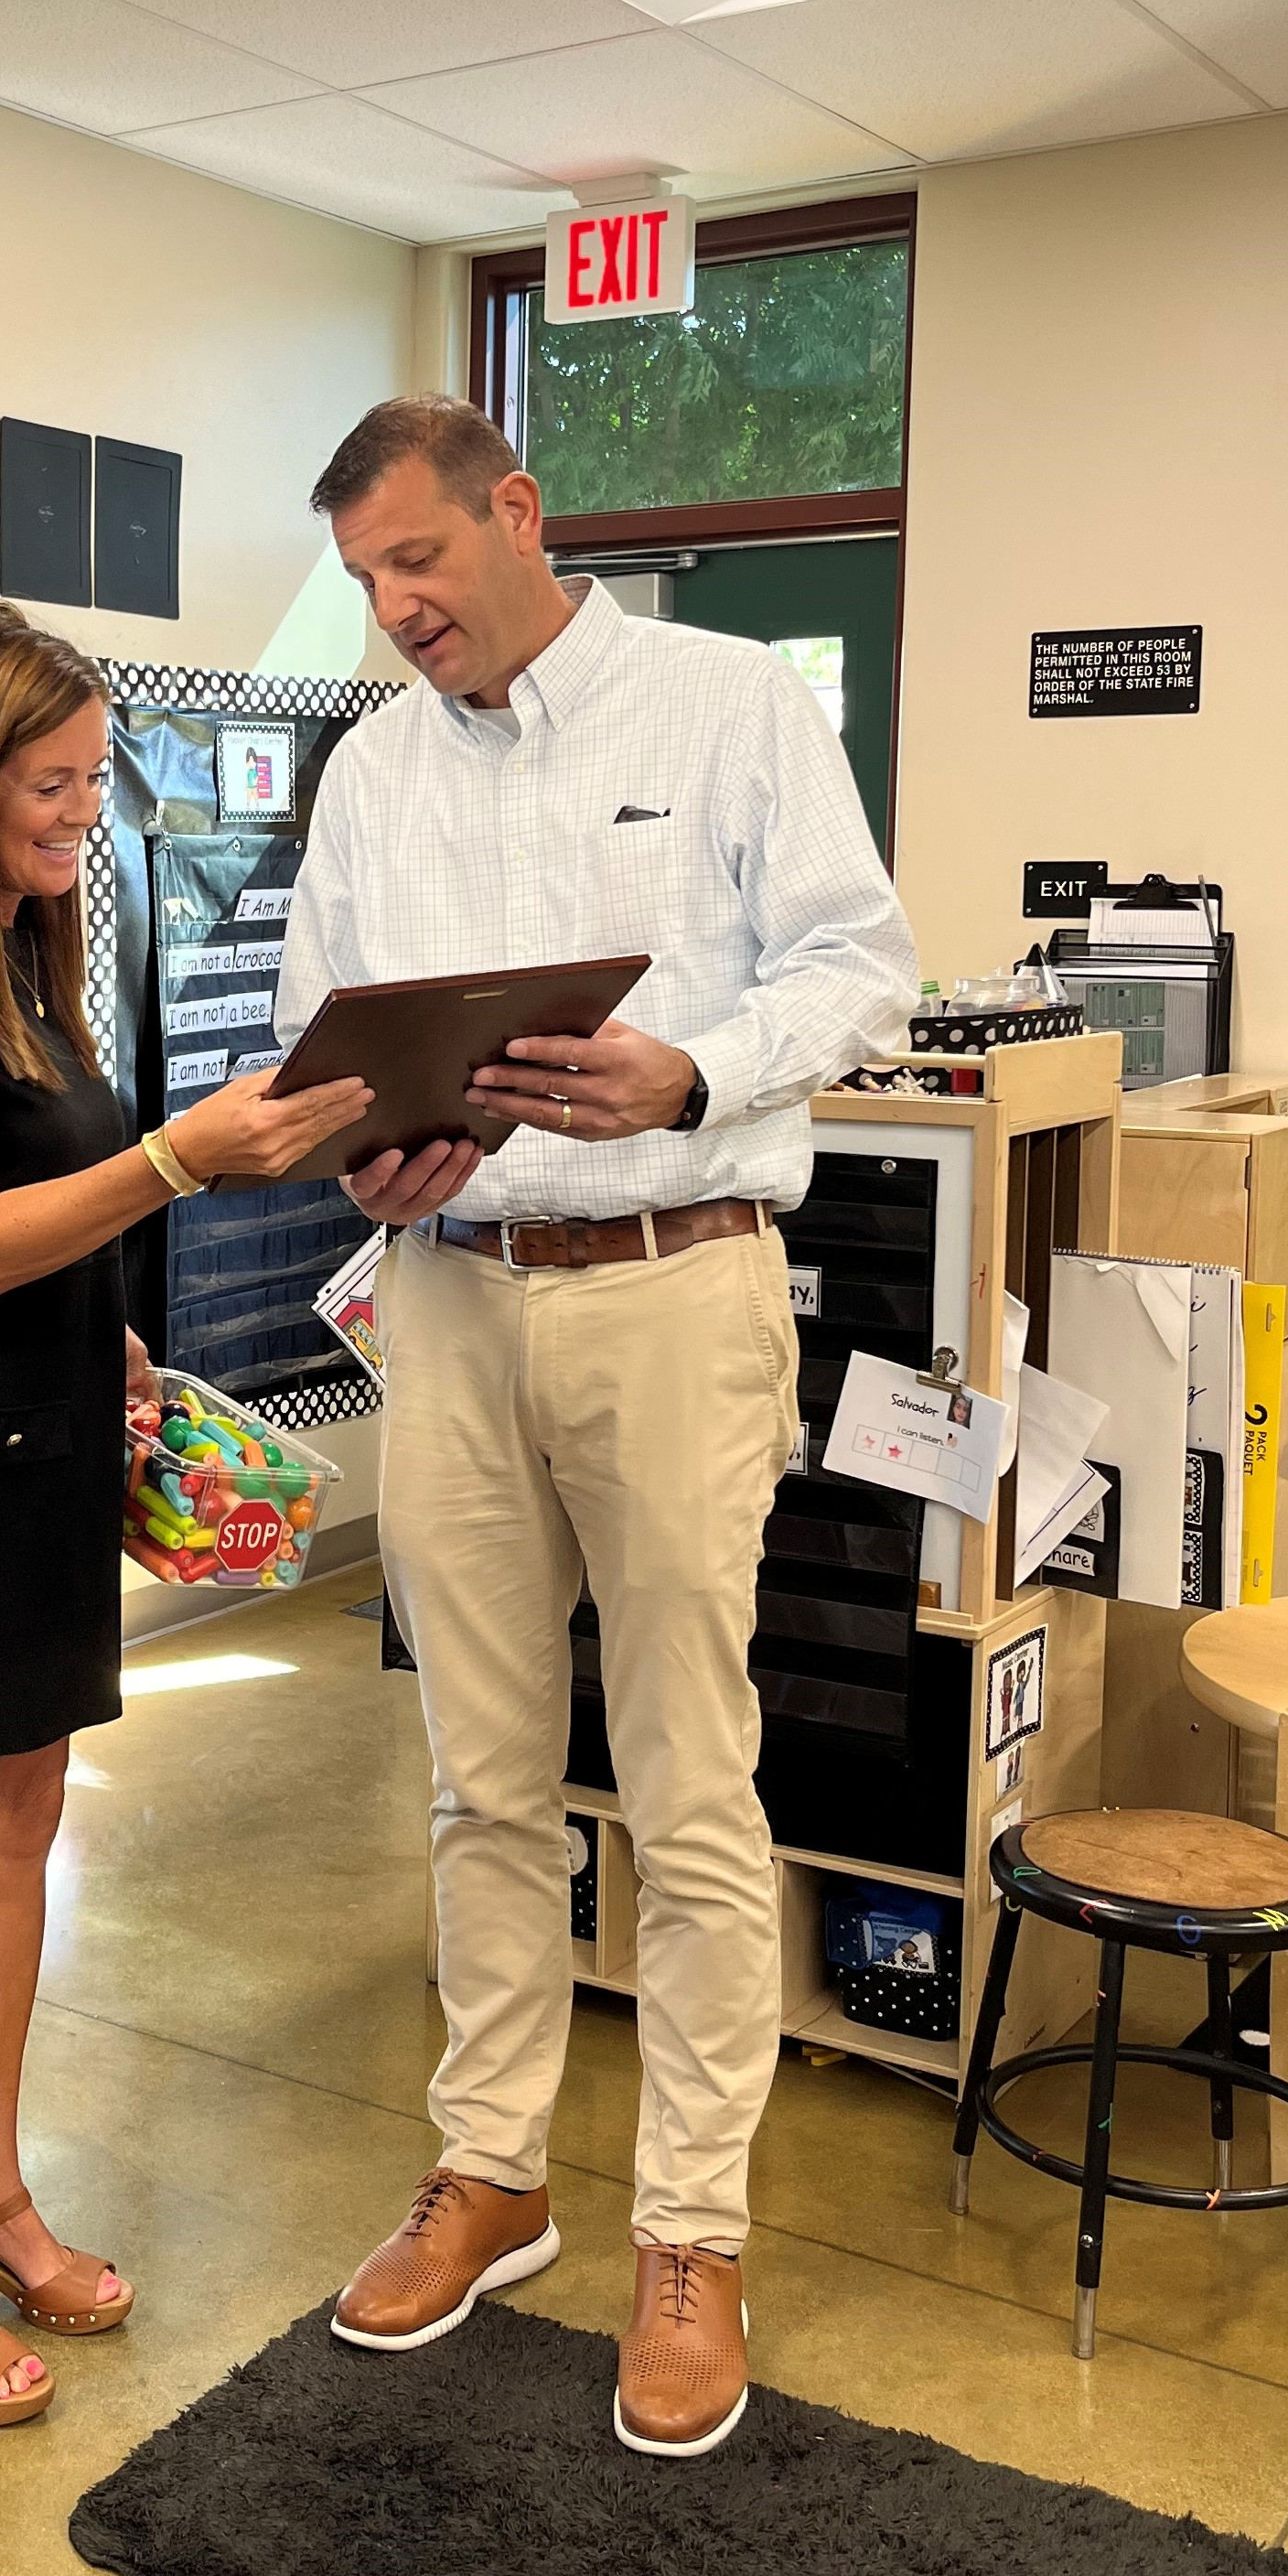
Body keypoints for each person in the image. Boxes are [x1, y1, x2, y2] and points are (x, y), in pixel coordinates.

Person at [274, 397, 916, 2457]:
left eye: (417, 565)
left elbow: (862, 969)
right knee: (479, 1776)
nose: (395, 614)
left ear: (514, 514)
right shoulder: (373, 770)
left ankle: (694, 2234)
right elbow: (323, 1039)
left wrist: (700, 1071)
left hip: (678, 1283)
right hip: (452, 1299)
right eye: (369, 583)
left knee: (687, 1770)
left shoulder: (728, 705)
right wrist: (353, 1154)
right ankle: (495, 2172)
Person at [0, 604, 374, 2432]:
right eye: (50, 785)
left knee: (21, 1826)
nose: (81, 813)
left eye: (91, 777)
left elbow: (33, 1198)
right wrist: (190, 1154)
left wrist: (109, 1333)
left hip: (38, 1455)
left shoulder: (27, 957)